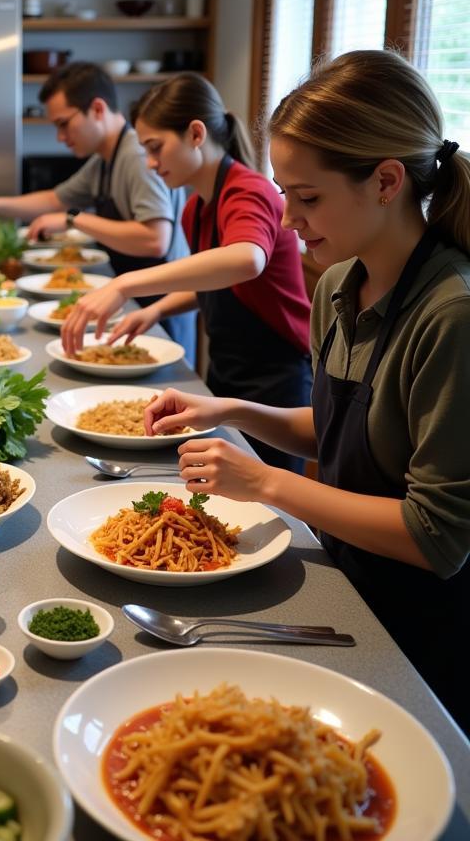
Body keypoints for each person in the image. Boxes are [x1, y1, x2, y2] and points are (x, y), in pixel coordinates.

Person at [143, 50, 470, 730]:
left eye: (309, 196)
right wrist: (228, 410)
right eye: (285, 192)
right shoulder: (338, 286)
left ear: (386, 181)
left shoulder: (450, 314)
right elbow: (338, 426)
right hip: (346, 586)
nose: (288, 218)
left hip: (420, 633)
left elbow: (436, 535)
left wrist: (264, 484)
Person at [61, 72, 311, 473]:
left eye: (156, 147)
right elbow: (217, 284)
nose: (151, 163)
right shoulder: (197, 207)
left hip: (276, 377)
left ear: (196, 134)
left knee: (275, 501)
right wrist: (156, 310)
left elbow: (246, 260)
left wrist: (126, 284)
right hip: (227, 368)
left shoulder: (248, 190)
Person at [0, 62, 195, 362]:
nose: (60, 136)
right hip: (133, 302)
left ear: (96, 109)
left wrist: (74, 219)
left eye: (63, 123)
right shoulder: (105, 158)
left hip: (159, 310)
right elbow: (55, 199)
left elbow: (154, 239)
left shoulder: (135, 155)